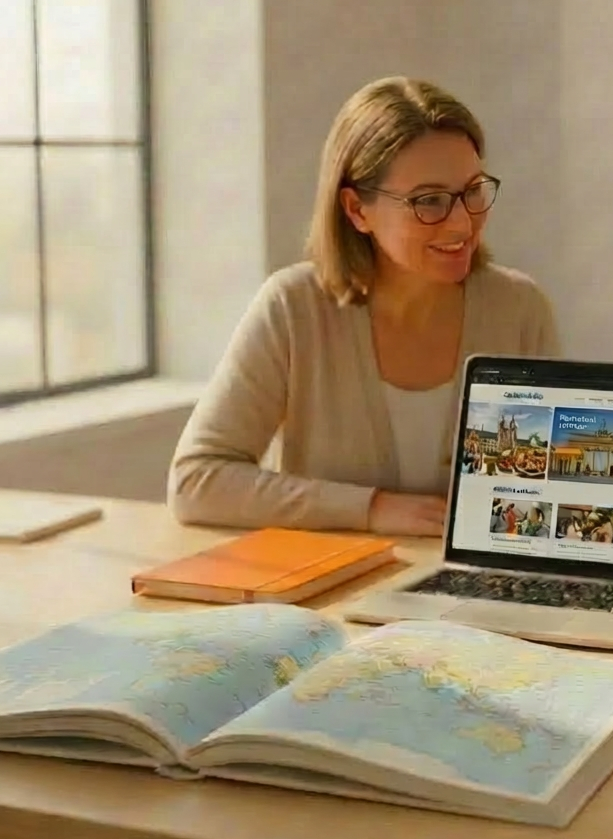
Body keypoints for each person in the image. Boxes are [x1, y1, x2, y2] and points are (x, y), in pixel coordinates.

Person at [168, 76, 559, 538]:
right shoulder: (292, 309)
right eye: (429, 201)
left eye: (473, 190)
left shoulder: (519, 308)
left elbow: (548, 490)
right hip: (330, 598)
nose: (462, 222)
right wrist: (370, 509)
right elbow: (197, 482)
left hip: (473, 598)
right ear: (357, 210)